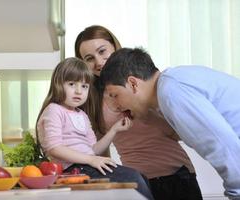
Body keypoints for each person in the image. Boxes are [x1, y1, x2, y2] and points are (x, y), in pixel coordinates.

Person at [75, 25, 203, 200]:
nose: (98, 61)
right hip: (137, 181)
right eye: (89, 58)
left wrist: (145, 113)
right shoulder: (90, 99)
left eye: (102, 51)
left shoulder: (142, 80)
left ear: (114, 46)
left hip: (178, 174)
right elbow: (99, 149)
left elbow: (179, 134)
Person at [99, 47, 240, 200]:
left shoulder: (171, 92)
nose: (116, 105)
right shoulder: (171, 84)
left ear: (133, 84)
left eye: (115, 95)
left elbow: (221, 146)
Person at [35, 57, 154, 200]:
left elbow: (94, 149)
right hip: (72, 169)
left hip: (87, 165)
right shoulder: (54, 110)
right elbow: (54, 148)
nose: (79, 91)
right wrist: (91, 160)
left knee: (140, 177)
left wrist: (114, 130)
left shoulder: (82, 115)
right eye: (72, 84)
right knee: (132, 178)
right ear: (58, 84)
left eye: (84, 86)